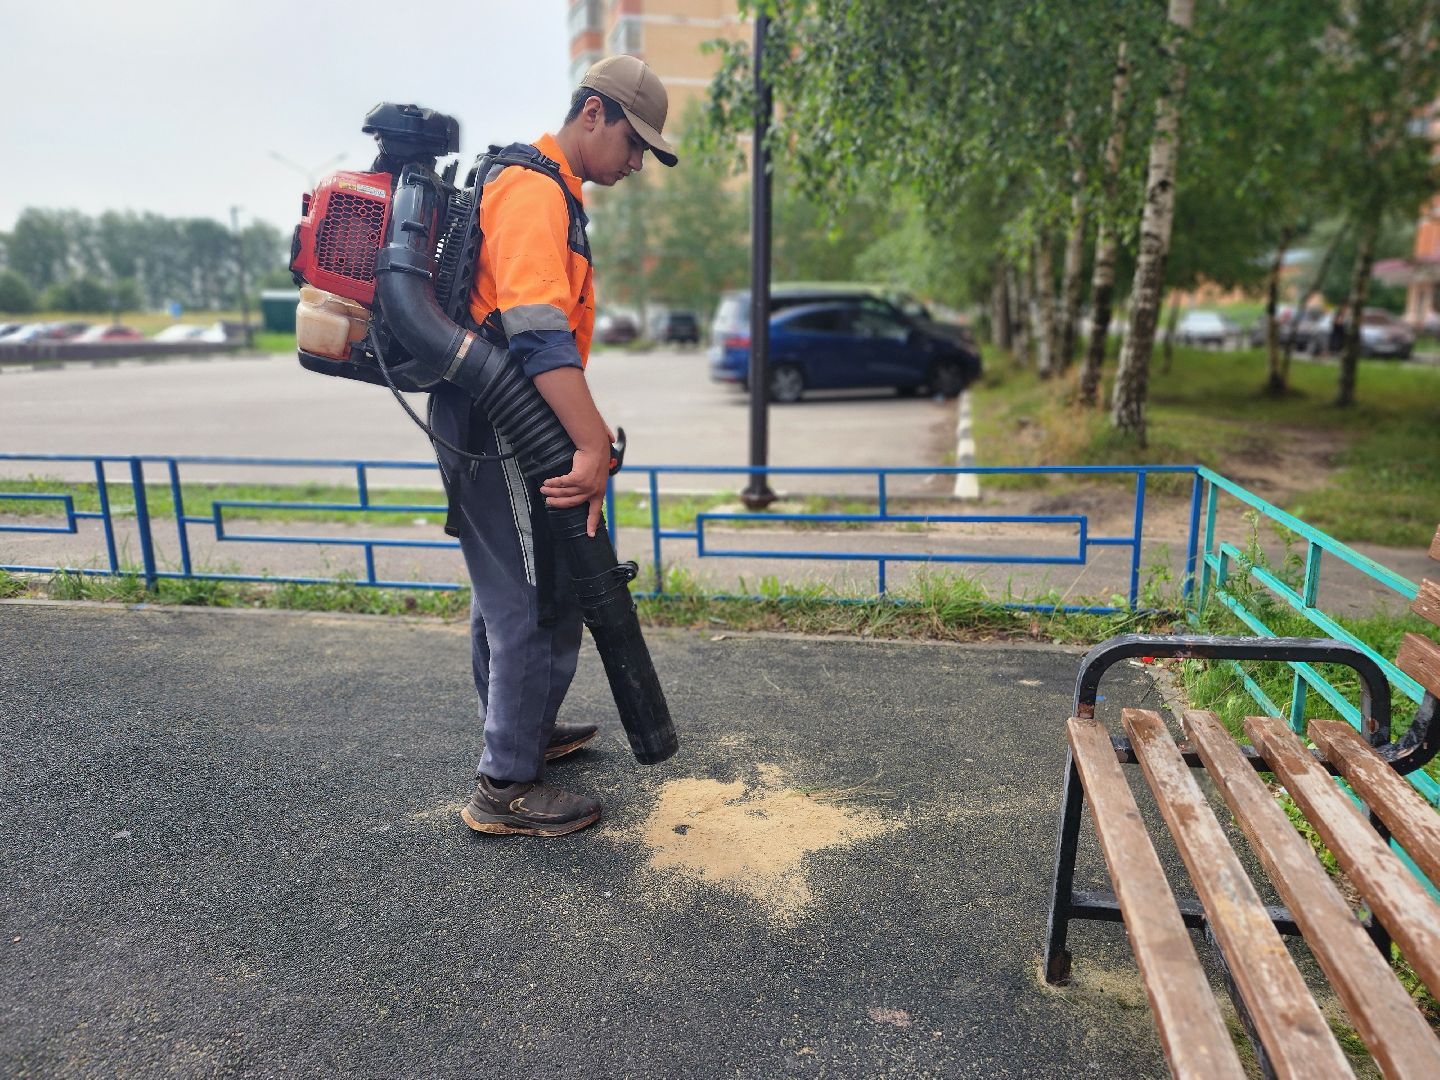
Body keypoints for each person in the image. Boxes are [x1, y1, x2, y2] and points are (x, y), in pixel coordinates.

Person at [427, 55, 678, 838]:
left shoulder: (542, 187)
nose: (637, 163)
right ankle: (506, 783)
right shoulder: (535, 193)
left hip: (484, 418)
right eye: (633, 143)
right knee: (539, 597)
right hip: (500, 425)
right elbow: (538, 339)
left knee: (507, 590)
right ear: (593, 113)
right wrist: (594, 443)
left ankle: (522, 730)